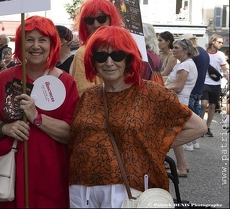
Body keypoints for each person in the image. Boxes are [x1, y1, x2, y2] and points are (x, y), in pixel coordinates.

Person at [69, 26, 207, 208]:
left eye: (117, 55)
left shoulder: (150, 92)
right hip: (81, 187)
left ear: (128, 58)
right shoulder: (89, 95)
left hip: (125, 190)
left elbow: (198, 127)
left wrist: (151, 146)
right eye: (101, 56)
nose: (109, 62)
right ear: (93, 61)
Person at [0, 16, 80, 208]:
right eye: (29, 39)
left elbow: (71, 133)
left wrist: (37, 117)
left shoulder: (66, 83)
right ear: (21, 44)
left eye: (42, 40)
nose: (35, 46)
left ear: (52, 44)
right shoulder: (5, 78)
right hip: (10, 174)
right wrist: (5, 127)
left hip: (50, 176)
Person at [70, 0, 124, 96]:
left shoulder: (123, 47)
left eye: (101, 18)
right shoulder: (83, 53)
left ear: (111, 19)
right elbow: (86, 97)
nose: (96, 24)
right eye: (89, 20)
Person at [165, 38, 199, 178]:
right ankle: (182, 165)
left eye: (176, 48)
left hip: (177, 103)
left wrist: (160, 89)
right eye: (173, 47)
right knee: (174, 134)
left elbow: (178, 87)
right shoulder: (186, 64)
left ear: (185, 50)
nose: (173, 50)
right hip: (179, 102)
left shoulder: (184, 66)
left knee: (173, 135)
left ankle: (181, 167)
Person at [180, 33, 210, 149]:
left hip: (191, 87)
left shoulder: (194, 53)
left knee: (189, 116)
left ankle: (189, 143)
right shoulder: (204, 53)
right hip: (199, 87)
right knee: (195, 114)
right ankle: (195, 142)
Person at [200, 34, 229, 137]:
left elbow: (224, 71)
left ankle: (206, 127)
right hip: (205, 82)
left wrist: (228, 80)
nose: (221, 44)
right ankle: (200, 127)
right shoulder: (203, 53)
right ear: (213, 42)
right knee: (203, 104)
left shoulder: (220, 55)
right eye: (219, 42)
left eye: (222, 42)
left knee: (212, 106)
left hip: (216, 83)